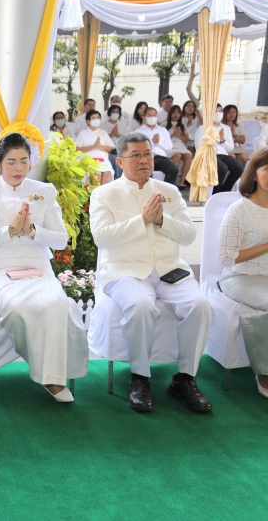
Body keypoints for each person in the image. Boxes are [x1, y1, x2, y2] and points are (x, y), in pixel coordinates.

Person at [89, 132, 214, 414]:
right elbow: (102, 238)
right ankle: (140, 377)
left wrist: (160, 219)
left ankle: (185, 379)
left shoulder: (168, 191)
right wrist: (142, 220)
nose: (144, 160)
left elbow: (188, 235)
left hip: (170, 270)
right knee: (141, 304)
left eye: (148, 154)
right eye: (136, 155)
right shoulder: (104, 194)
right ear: (120, 161)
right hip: (125, 271)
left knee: (201, 305)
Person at [0, 133, 88, 402]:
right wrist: (10, 231)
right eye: (11, 162)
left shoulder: (44, 191)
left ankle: (53, 375)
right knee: (18, 307)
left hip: (37, 266)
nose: (18, 168)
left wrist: (32, 231)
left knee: (59, 304)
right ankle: (49, 376)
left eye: (24, 161)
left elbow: (60, 240)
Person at [218, 148, 268, 399]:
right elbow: (227, 258)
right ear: (255, 174)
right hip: (240, 276)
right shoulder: (239, 209)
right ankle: (265, 375)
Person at [194, 104, 244, 194]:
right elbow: (198, 147)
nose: (218, 113)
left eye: (220, 111)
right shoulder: (202, 128)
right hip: (208, 155)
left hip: (223, 154)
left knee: (239, 168)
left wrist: (222, 141)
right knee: (222, 168)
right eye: (215, 111)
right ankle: (215, 193)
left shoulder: (226, 128)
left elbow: (230, 147)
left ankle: (224, 191)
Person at [135, 107, 179, 185]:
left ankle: (164, 193)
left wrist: (158, 143)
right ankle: (148, 193)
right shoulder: (138, 131)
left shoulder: (163, 130)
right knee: (146, 173)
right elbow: (137, 148)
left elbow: (169, 147)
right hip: (146, 158)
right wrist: (152, 143)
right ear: (145, 117)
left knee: (174, 170)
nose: (152, 117)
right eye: (150, 115)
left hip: (162, 158)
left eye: (154, 115)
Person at [75, 109, 114, 184]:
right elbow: (78, 149)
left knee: (107, 174)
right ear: (88, 121)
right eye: (93, 118)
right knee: (96, 176)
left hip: (103, 161)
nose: (96, 119)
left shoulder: (103, 133)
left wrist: (101, 147)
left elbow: (110, 148)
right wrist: (94, 146)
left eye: (98, 117)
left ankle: (104, 195)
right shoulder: (83, 133)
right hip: (89, 161)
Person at [162, 105, 193, 187]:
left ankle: (182, 181)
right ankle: (173, 180)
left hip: (180, 145)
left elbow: (186, 139)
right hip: (170, 146)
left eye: (178, 112)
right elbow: (162, 139)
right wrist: (174, 134)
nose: (176, 114)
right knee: (177, 155)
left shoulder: (183, 125)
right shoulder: (164, 124)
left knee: (189, 156)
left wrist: (179, 135)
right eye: (174, 112)